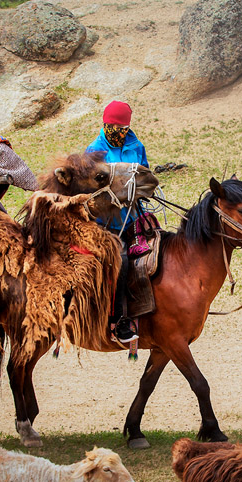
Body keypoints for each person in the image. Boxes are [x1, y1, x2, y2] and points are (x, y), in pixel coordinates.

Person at [86, 100, 149, 344]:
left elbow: (144, 173)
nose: (119, 133)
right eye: (114, 128)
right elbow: (88, 187)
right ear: (106, 125)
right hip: (106, 221)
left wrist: (141, 190)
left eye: (123, 128)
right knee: (120, 260)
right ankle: (117, 321)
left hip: (133, 215)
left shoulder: (136, 146)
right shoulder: (94, 150)